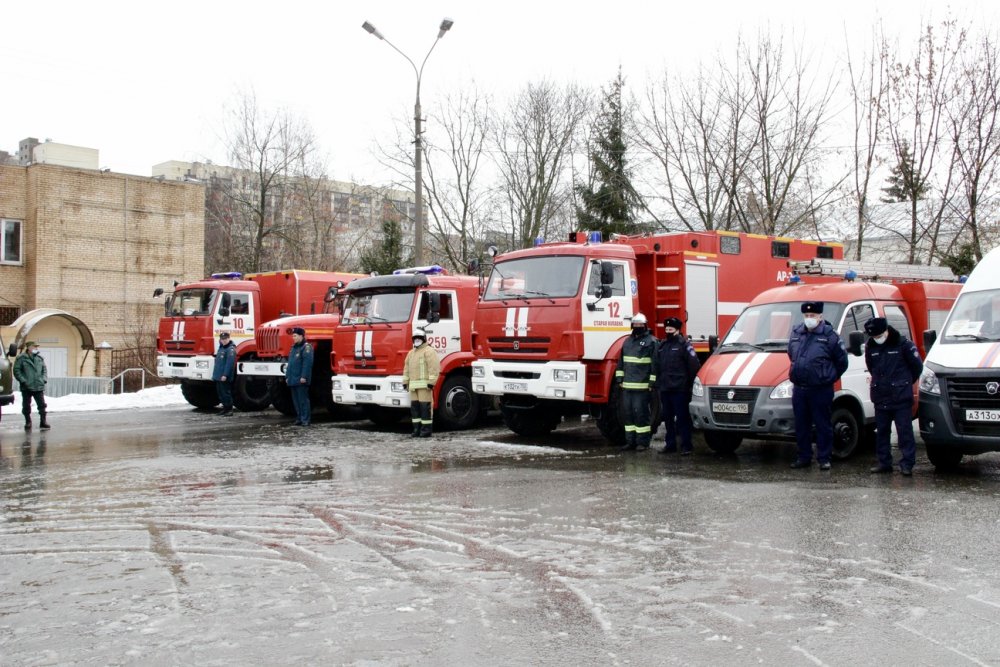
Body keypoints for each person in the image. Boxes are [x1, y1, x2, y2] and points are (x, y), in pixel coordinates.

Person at [787, 301, 848, 470]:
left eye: (812, 316)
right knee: (801, 425)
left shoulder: (829, 336)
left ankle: (824, 458)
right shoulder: (796, 333)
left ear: (820, 317)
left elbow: (842, 362)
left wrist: (828, 377)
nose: (809, 319)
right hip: (800, 388)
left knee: (822, 425)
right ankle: (803, 457)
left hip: (820, 389)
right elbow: (791, 354)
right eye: (806, 316)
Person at [864, 317, 923, 476]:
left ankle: (907, 463)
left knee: (904, 432)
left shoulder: (903, 344)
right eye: (874, 337)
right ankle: (884, 463)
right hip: (881, 395)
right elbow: (871, 366)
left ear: (886, 331)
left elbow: (917, 367)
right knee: (882, 431)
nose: (877, 339)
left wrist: (904, 382)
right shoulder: (871, 346)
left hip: (900, 396)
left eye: (879, 336)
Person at [655, 317, 701, 455]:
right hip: (665, 389)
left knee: (682, 419)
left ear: (677, 330)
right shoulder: (663, 345)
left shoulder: (684, 345)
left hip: (680, 389)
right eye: (666, 329)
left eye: (671, 329)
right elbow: (658, 365)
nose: (668, 331)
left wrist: (690, 385)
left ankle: (686, 446)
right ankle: (670, 445)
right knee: (668, 420)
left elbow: (694, 365)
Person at [615, 313, 658, 451]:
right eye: (635, 324)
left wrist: (652, 383)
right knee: (628, 415)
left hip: (643, 386)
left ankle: (643, 442)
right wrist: (619, 379)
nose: (637, 327)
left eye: (640, 325)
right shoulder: (627, 341)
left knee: (641, 415)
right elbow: (621, 361)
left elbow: (655, 364)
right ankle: (630, 441)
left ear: (645, 325)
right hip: (627, 386)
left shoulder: (652, 341)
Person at [403, 328, 440, 437]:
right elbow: (406, 368)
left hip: (425, 386)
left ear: (424, 339)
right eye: (415, 338)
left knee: (425, 409)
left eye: (419, 338)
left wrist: (431, 382)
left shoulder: (429, 351)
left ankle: (426, 431)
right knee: (415, 410)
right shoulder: (411, 353)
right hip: (413, 386)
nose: (417, 340)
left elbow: (434, 368)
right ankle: (416, 430)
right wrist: (405, 382)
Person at [13, 341, 49, 431]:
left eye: (36, 347)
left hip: (38, 385)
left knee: (42, 405)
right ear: (29, 348)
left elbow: (44, 370)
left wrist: (44, 379)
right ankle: (28, 422)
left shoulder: (39, 358)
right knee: (26, 405)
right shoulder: (21, 358)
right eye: (34, 347)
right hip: (26, 387)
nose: (36, 348)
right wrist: (23, 380)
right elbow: (17, 371)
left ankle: (43, 422)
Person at [285, 327, 314, 426]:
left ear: (301, 336)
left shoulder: (306, 347)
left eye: (295, 336)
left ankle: (305, 419)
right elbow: (290, 364)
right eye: (293, 336)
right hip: (293, 378)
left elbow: (307, 364)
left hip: (301, 379)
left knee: (303, 400)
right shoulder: (294, 348)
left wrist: (304, 376)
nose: (293, 338)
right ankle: (299, 418)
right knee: (296, 401)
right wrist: (287, 376)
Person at [212, 332, 236, 416]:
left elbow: (229, 364)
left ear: (229, 338)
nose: (224, 341)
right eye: (222, 339)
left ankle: (229, 410)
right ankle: (225, 409)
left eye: (225, 339)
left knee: (226, 393)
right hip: (219, 376)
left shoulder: (230, 349)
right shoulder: (221, 348)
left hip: (224, 376)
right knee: (220, 393)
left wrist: (225, 375)